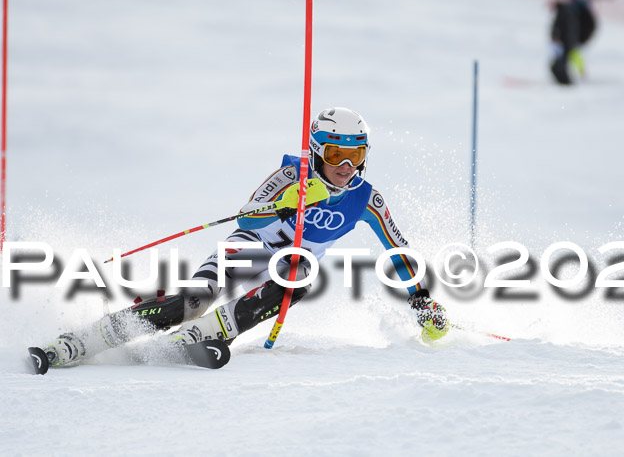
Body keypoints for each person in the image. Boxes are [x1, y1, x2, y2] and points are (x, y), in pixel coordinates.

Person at [42, 107, 450, 368]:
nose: (345, 166)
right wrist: (292, 199)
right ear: (316, 149)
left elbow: (398, 251)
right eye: (334, 155)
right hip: (249, 247)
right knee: (194, 300)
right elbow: (249, 217)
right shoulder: (295, 175)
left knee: (301, 272)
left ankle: (211, 332)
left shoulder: (367, 199)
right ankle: (88, 338)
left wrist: (420, 300)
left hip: (289, 268)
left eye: (355, 156)